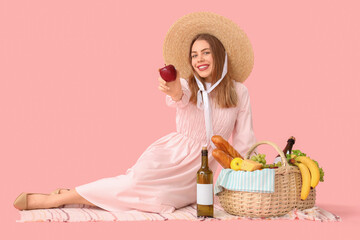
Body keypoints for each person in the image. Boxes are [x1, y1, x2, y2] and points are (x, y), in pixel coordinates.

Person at [13, 12, 257, 213]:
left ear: (219, 54)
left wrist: (248, 174)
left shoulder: (239, 92)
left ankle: (73, 197)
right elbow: (177, 96)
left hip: (197, 173)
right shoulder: (186, 85)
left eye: (205, 52)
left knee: (159, 202)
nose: (199, 59)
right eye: (194, 55)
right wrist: (171, 88)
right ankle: (55, 200)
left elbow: (244, 141)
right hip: (169, 158)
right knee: (133, 184)